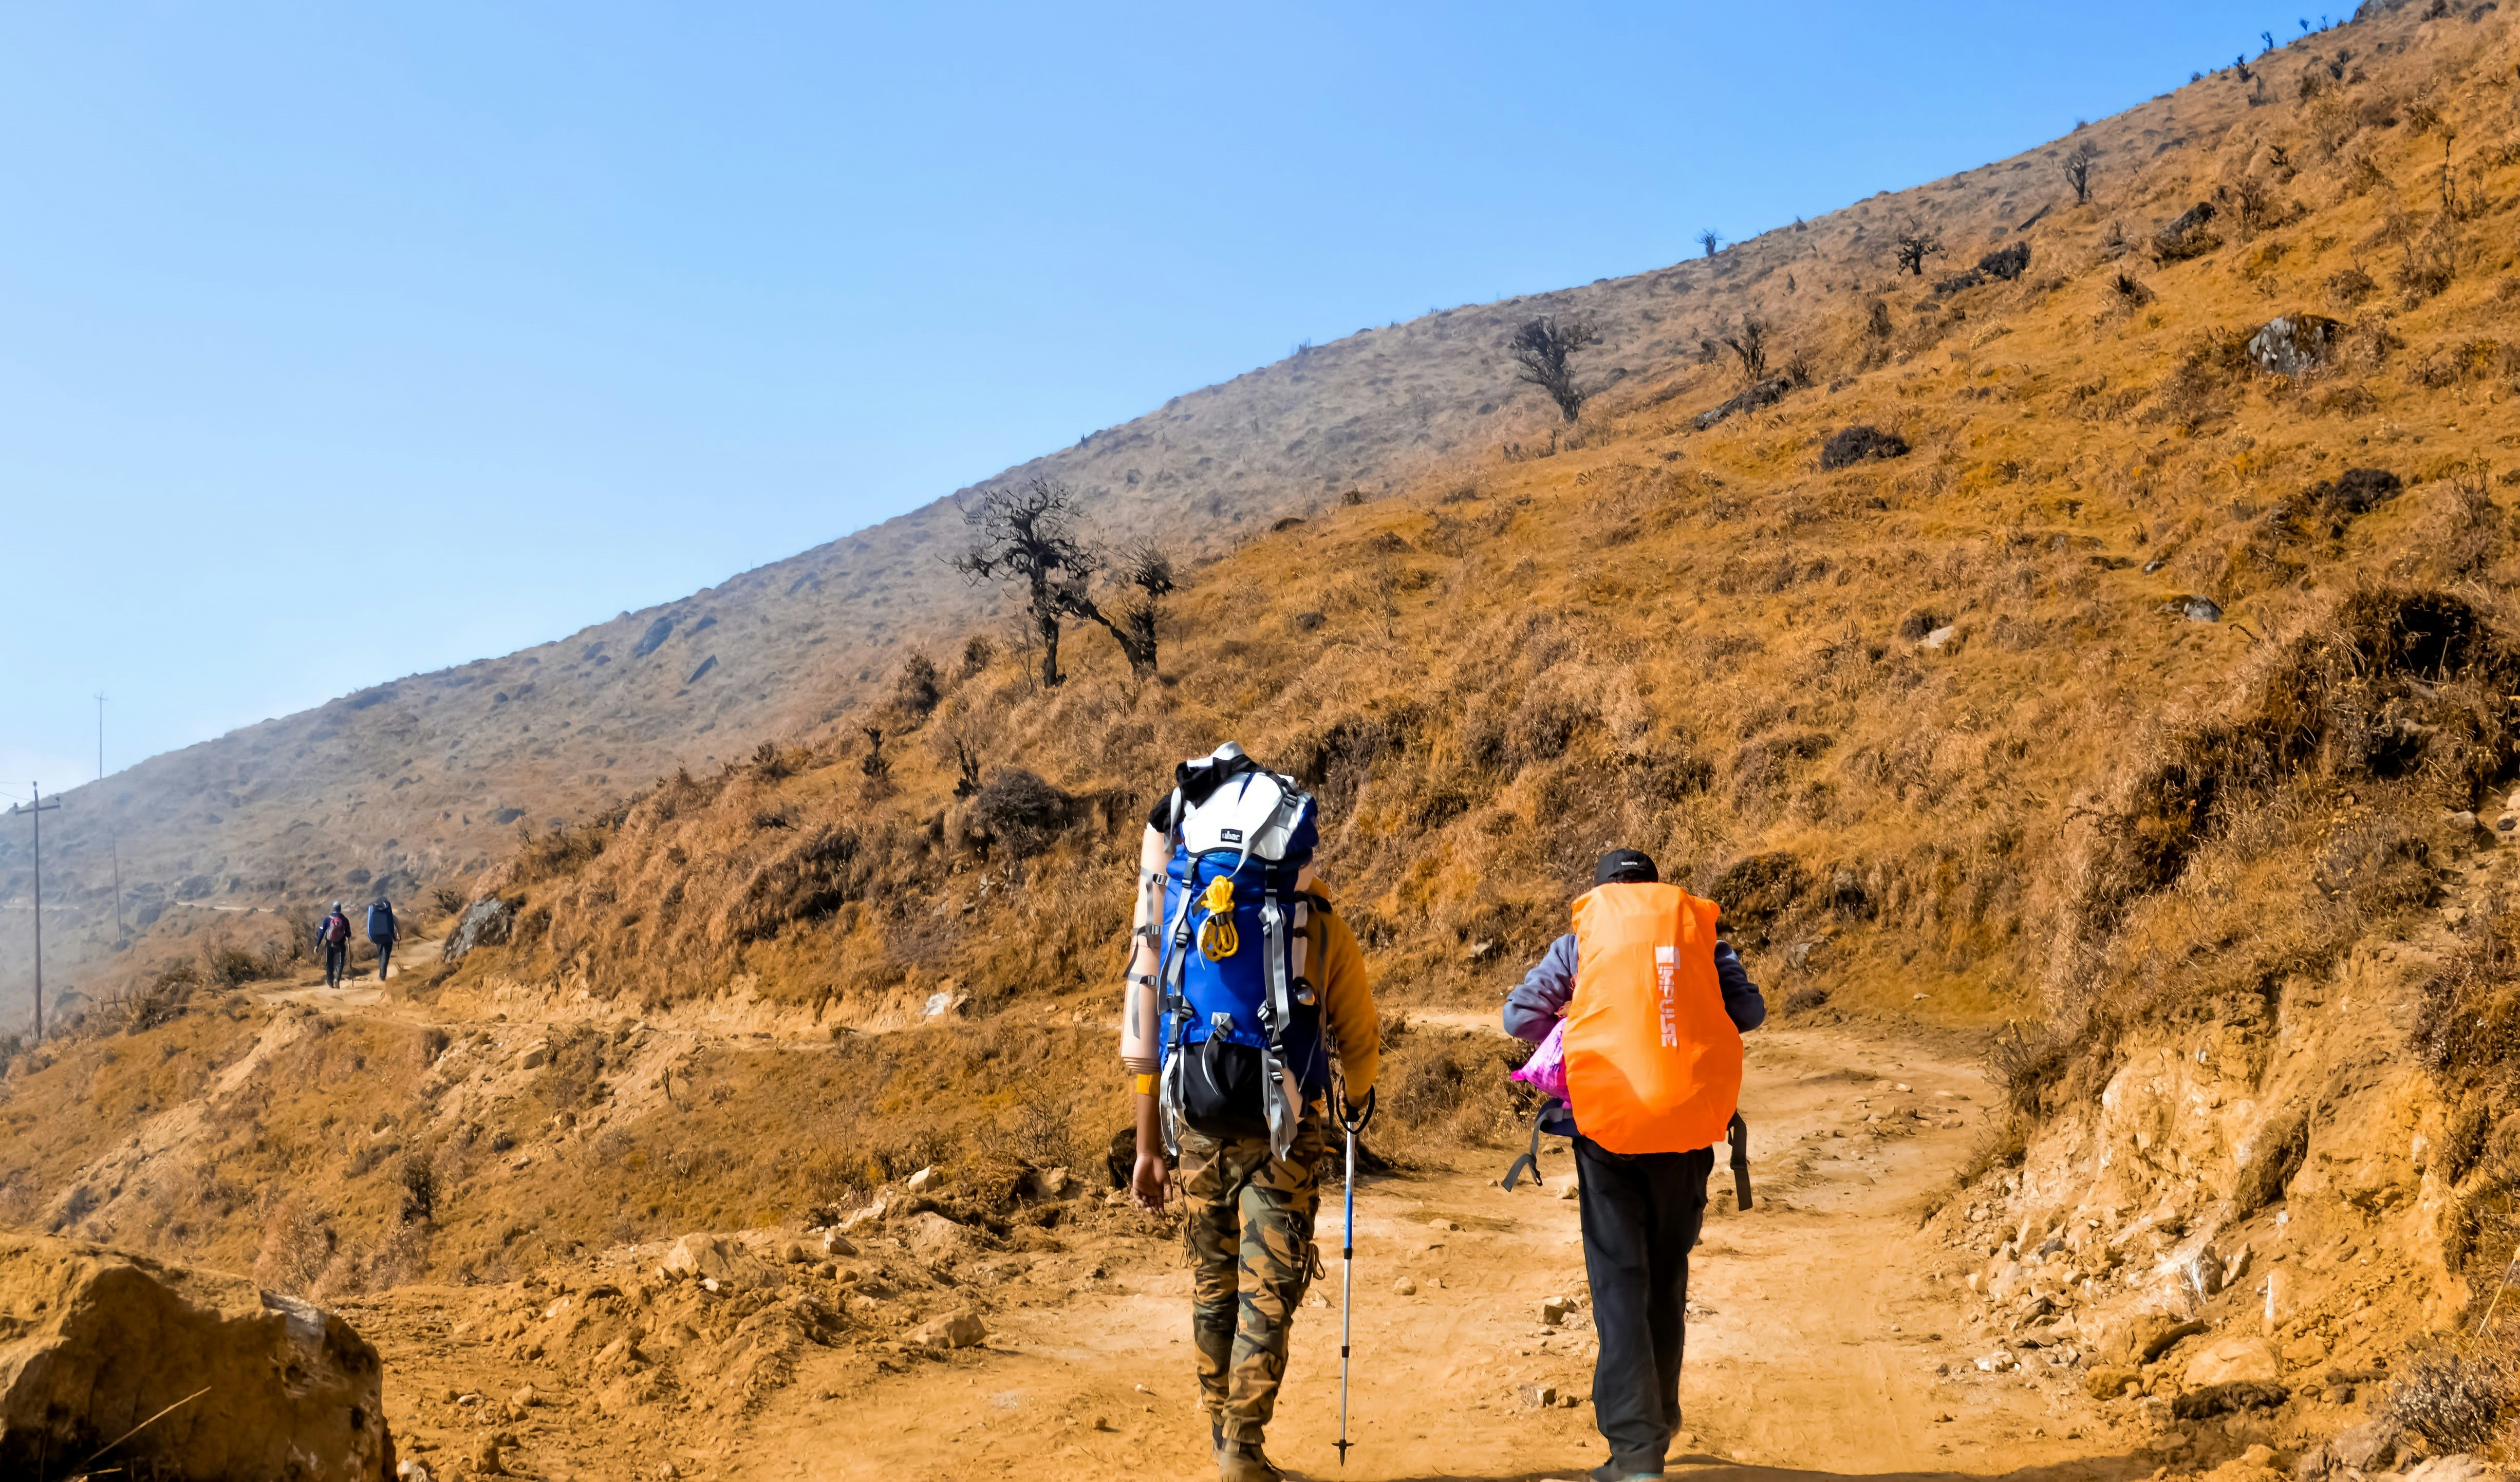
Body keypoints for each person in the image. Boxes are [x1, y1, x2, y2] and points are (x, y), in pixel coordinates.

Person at [1121, 743, 1380, 1482]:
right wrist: (1356, 1101)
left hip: (1198, 1122)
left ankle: (1220, 1433)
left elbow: (1151, 1025)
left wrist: (1148, 1147)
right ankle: (1242, 1447)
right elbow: (1359, 1037)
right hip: (1286, 1129)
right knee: (1268, 1289)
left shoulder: (1181, 908)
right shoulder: (1314, 917)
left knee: (1214, 1279)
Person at [1502, 848, 1765, 1482]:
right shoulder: (1701, 940)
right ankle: (1661, 1416)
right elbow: (1749, 1013)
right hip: (1687, 1135)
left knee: (1620, 1285)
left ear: (1601, 897)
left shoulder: (1580, 945)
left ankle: (1636, 1451)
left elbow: (1519, 1016)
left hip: (1609, 1133)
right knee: (1666, 1276)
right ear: (1657, 892)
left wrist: (1585, 1026)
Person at [316, 902, 352, 989]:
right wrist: (346, 934)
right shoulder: (345, 920)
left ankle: (330, 984)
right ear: (340, 908)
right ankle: (337, 979)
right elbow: (348, 934)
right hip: (340, 944)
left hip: (329, 944)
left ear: (333, 909)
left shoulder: (327, 919)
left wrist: (317, 945)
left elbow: (322, 933)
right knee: (340, 963)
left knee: (329, 964)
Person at [367, 896, 399, 981]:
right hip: (388, 937)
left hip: (378, 937)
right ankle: (382, 976)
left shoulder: (375, 914)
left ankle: (382, 973)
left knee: (381, 955)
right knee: (385, 956)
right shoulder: (389, 915)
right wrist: (398, 935)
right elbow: (397, 923)